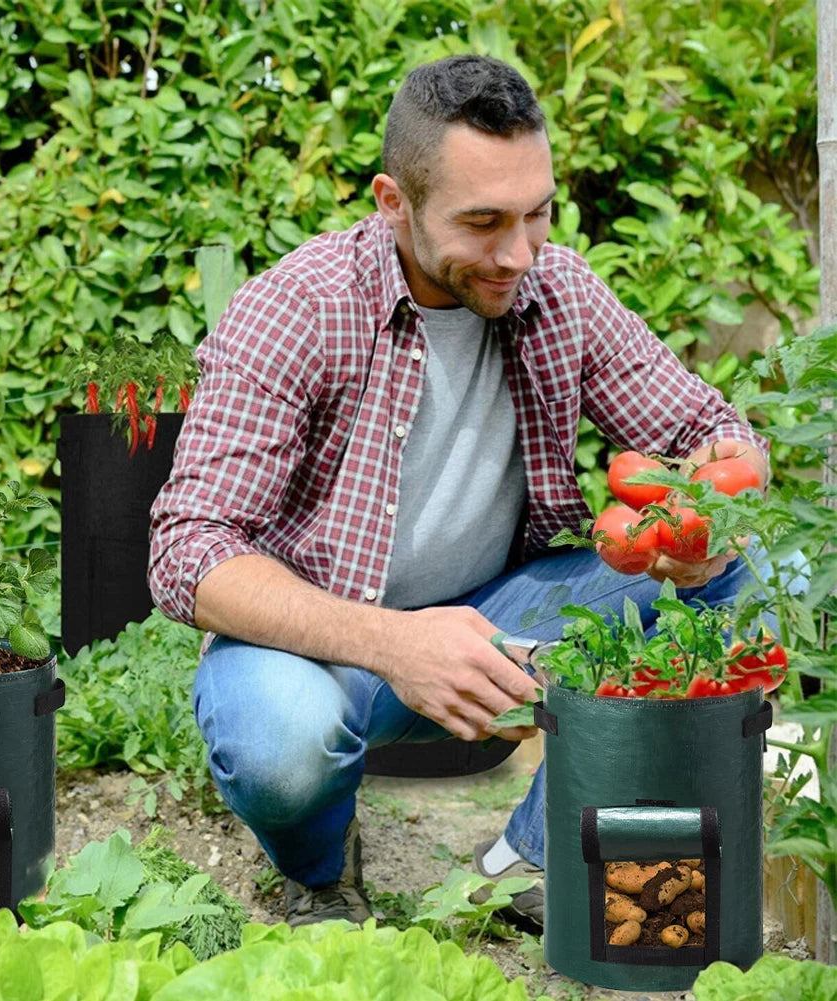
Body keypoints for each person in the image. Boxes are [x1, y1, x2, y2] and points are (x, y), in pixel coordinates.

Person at [147, 54, 770, 933]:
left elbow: (709, 426)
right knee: (280, 747)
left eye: (537, 212)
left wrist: (719, 508)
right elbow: (187, 550)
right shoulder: (297, 310)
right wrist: (396, 642)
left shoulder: (558, 293)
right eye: (482, 222)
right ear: (392, 202)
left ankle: (525, 859)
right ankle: (320, 868)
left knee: (763, 575)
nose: (518, 252)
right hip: (324, 647)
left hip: (501, 628)